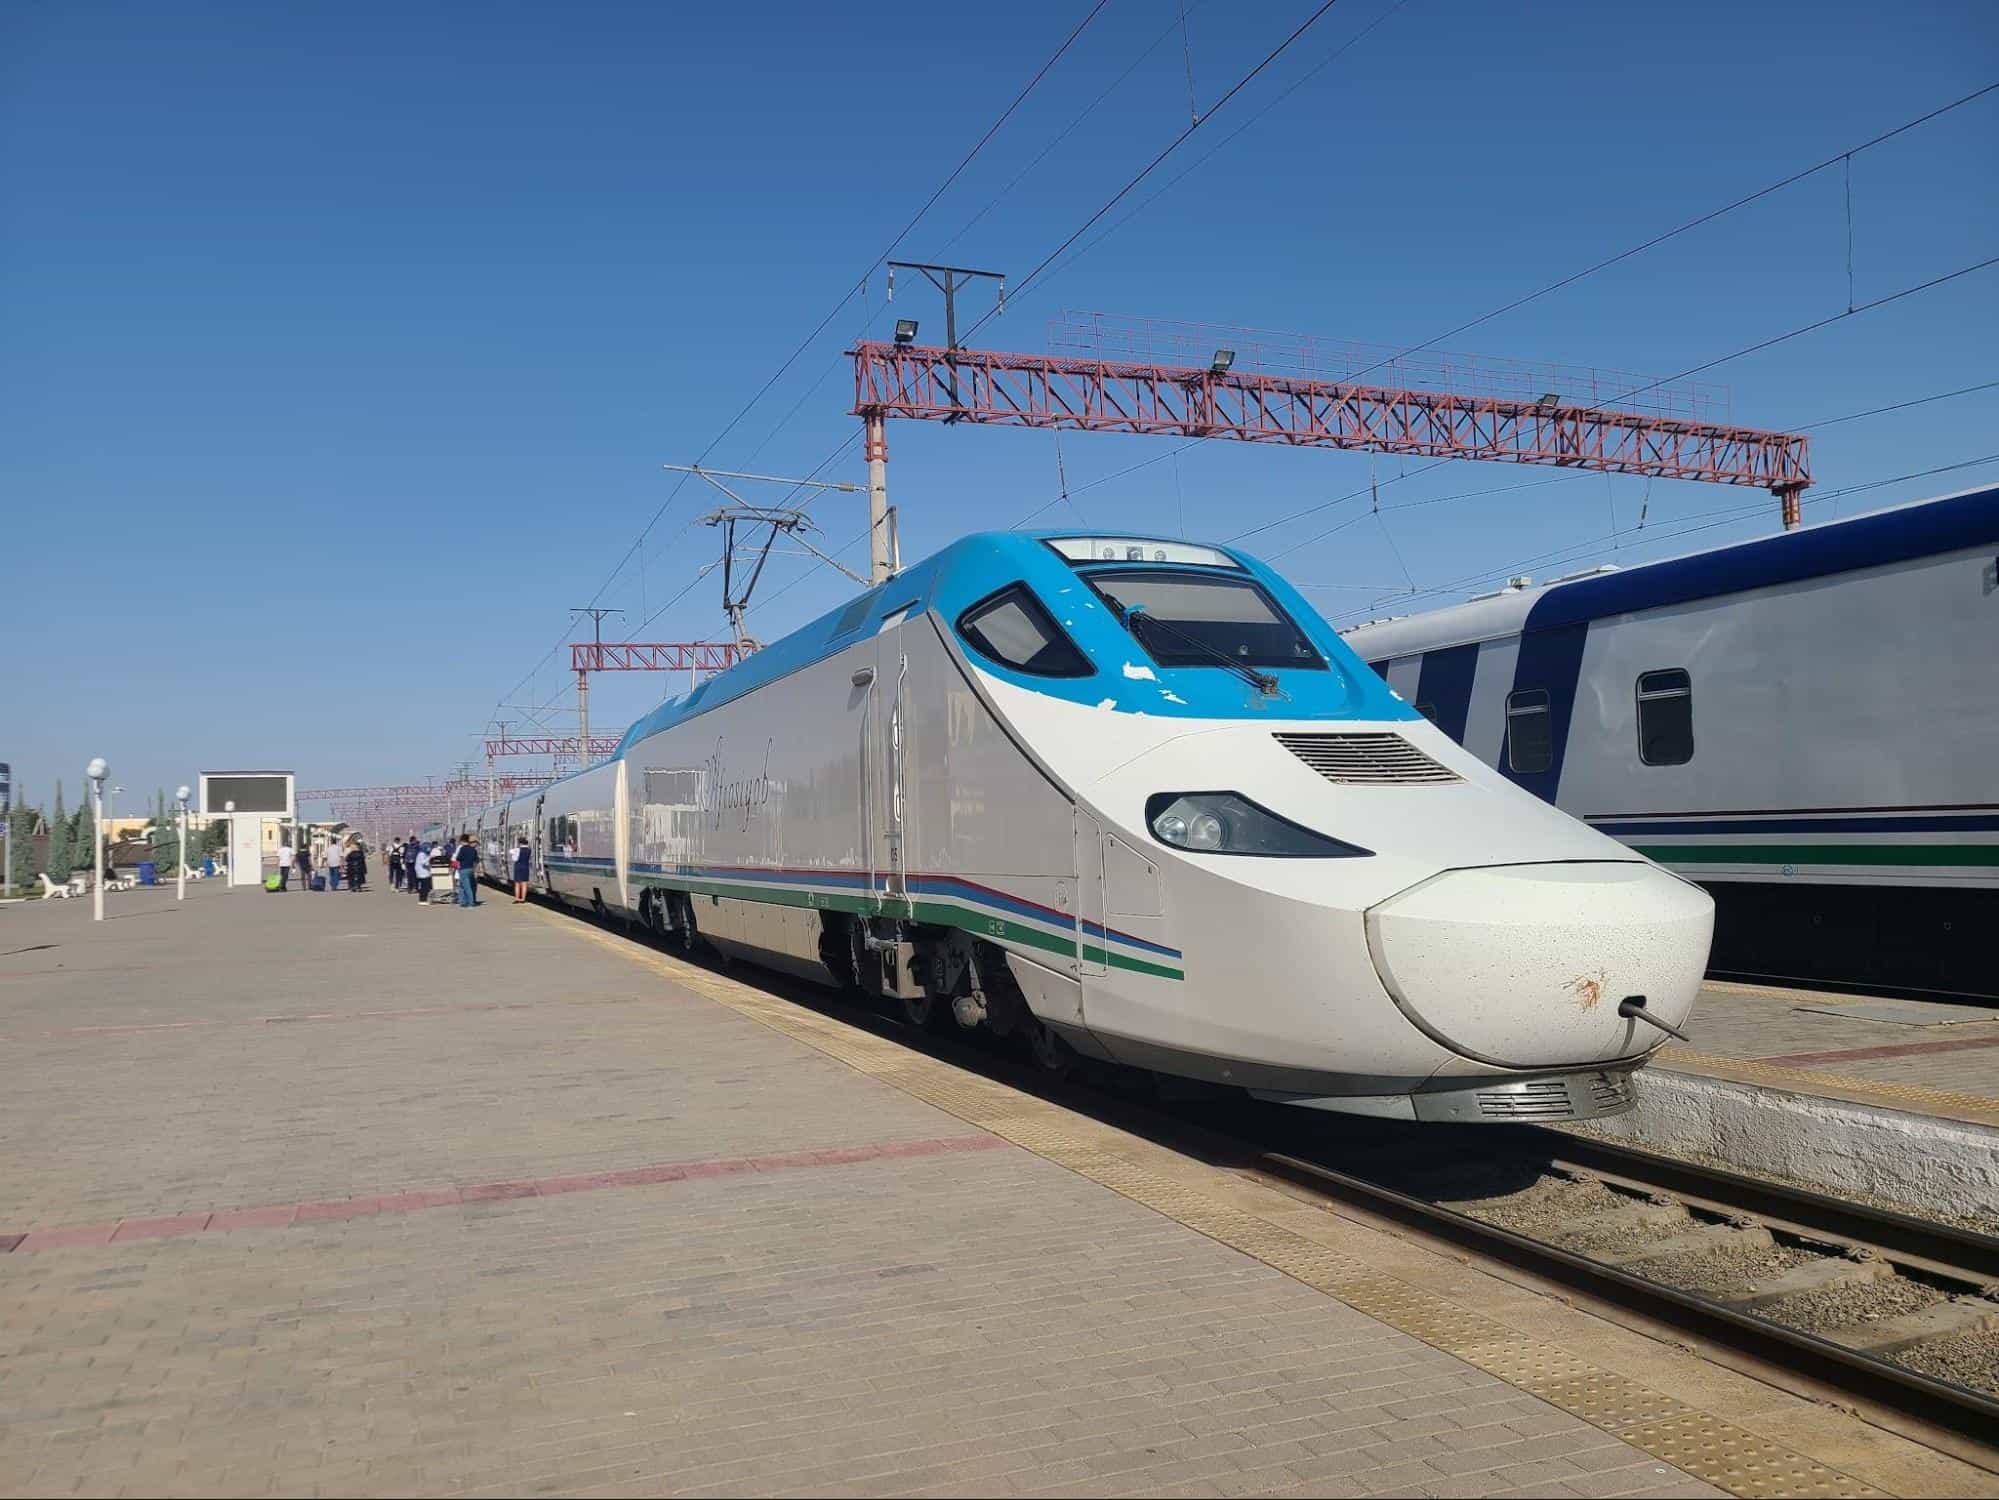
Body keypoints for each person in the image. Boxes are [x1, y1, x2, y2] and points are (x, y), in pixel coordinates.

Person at [455, 833, 480, 908]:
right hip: (471, 869)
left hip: (463, 869)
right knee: (464, 886)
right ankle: (463, 901)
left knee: (466, 886)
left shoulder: (462, 848)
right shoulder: (473, 850)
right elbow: (476, 860)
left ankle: (470, 903)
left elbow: (458, 858)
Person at [512, 833, 531, 904]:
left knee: (517, 884)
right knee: (524, 884)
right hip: (525, 867)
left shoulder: (517, 850)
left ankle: (517, 898)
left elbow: (514, 859)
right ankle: (523, 899)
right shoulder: (529, 850)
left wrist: (515, 849)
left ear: (519, 843)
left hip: (518, 867)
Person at [412, 839, 433, 904]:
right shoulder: (421, 854)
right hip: (423, 874)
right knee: (424, 887)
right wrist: (430, 857)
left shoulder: (423, 854)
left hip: (425, 873)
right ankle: (422, 900)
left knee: (426, 887)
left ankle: (424, 899)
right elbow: (424, 863)